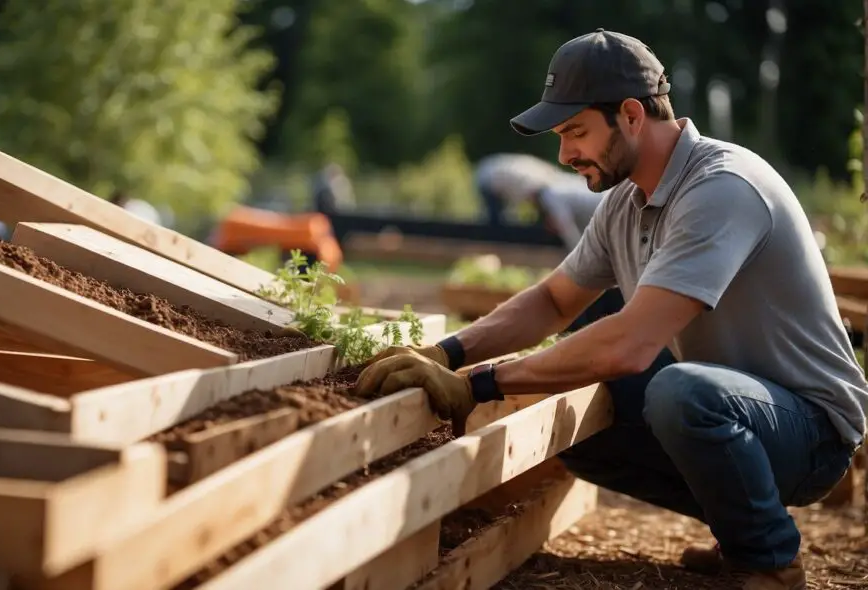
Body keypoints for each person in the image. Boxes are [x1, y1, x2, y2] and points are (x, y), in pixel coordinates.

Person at [353, 28, 867, 590]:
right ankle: (744, 529)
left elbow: (630, 344)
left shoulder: (722, 188)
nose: (564, 154)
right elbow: (553, 300)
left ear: (630, 115)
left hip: (813, 431)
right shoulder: (627, 201)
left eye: (575, 132)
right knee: (584, 423)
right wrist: (446, 353)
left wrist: (477, 385)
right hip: (741, 405)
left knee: (676, 393)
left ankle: (769, 561)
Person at [474, 153, 606, 249]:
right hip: (487, 177)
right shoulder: (552, 187)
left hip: (491, 172)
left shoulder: (553, 191)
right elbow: (566, 227)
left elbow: (566, 226)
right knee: (496, 226)